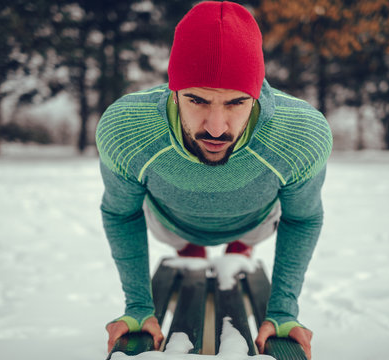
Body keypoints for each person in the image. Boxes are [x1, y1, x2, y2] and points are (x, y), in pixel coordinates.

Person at [96, 1, 332, 358]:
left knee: (253, 228)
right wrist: (138, 306)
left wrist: (284, 311)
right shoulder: (127, 128)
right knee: (172, 230)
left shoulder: (300, 133)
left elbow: (303, 217)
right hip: (170, 220)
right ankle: (191, 245)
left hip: (255, 219)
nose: (217, 128)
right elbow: (120, 212)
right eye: (198, 100)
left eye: (237, 103)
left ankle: (239, 245)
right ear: (173, 90)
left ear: (256, 94)